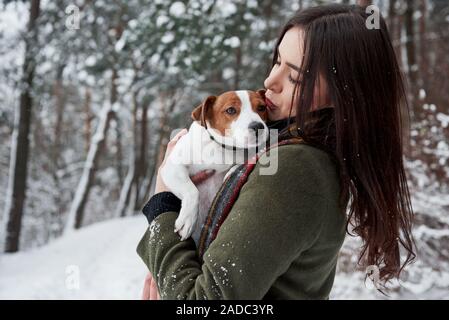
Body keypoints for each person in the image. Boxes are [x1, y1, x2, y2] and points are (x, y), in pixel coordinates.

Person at [137, 3, 416, 300]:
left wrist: (163, 203)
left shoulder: (295, 166)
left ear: (343, 94)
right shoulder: (310, 153)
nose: (270, 81)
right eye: (277, 61)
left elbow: (201, 303)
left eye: (294, 76)